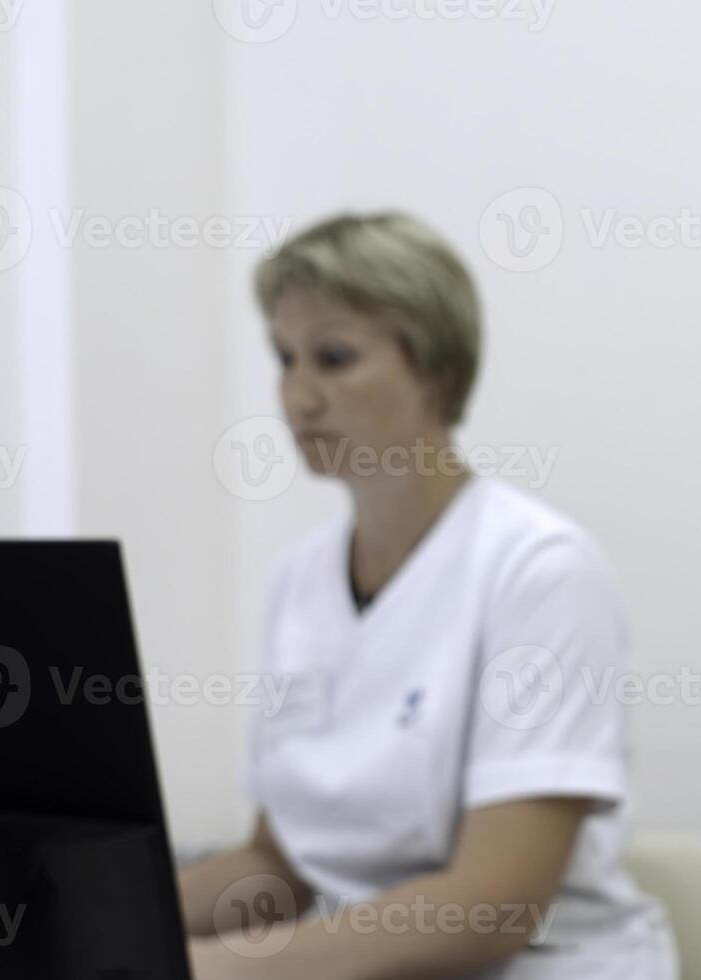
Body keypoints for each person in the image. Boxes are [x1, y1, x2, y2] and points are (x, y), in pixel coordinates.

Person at [176, 212, 675, 980]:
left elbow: (494, 905)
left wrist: (213, 967)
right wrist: (87, 921)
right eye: (284, 358)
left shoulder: (537, 570)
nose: (298, 396)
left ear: (437, 369)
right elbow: (278, 866)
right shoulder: (299, 579)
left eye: (334, 358)